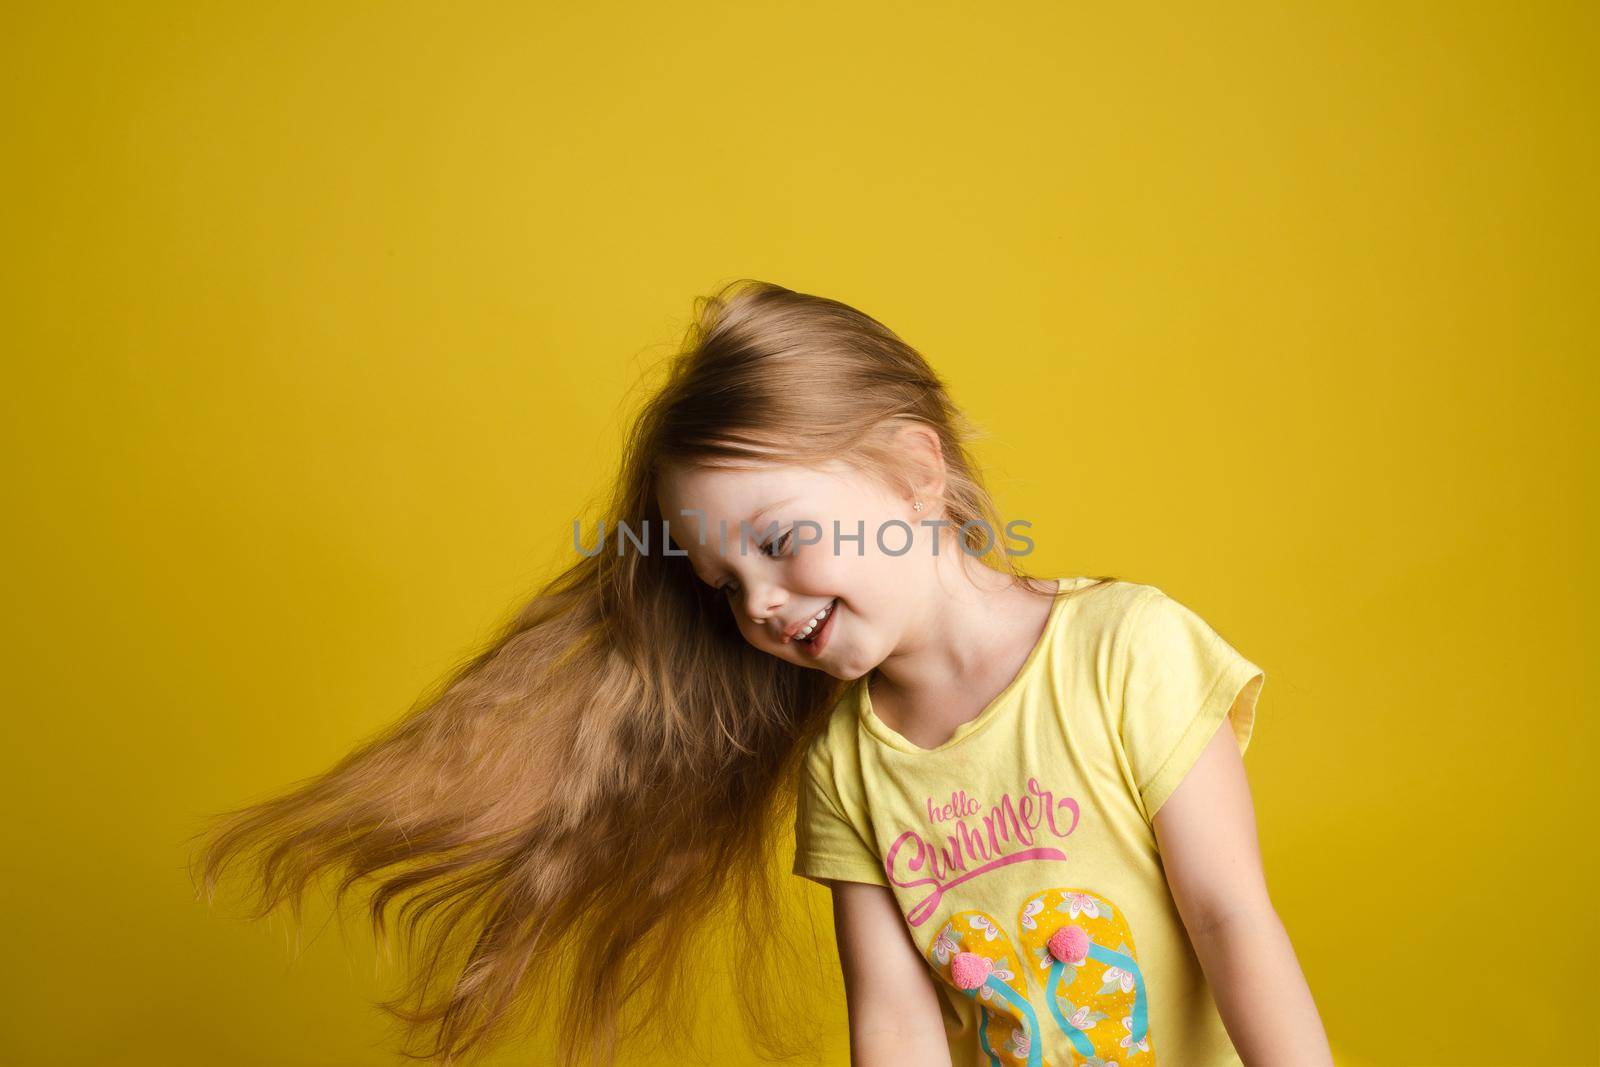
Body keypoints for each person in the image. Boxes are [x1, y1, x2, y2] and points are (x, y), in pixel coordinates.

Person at [190, 278, 1333, 1067]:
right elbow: (892, 1015)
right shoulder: (846, 758)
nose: (762, 605)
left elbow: (1231, 915)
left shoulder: (1126, 649)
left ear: (908, 471)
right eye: (723, 584)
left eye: (780, 542)